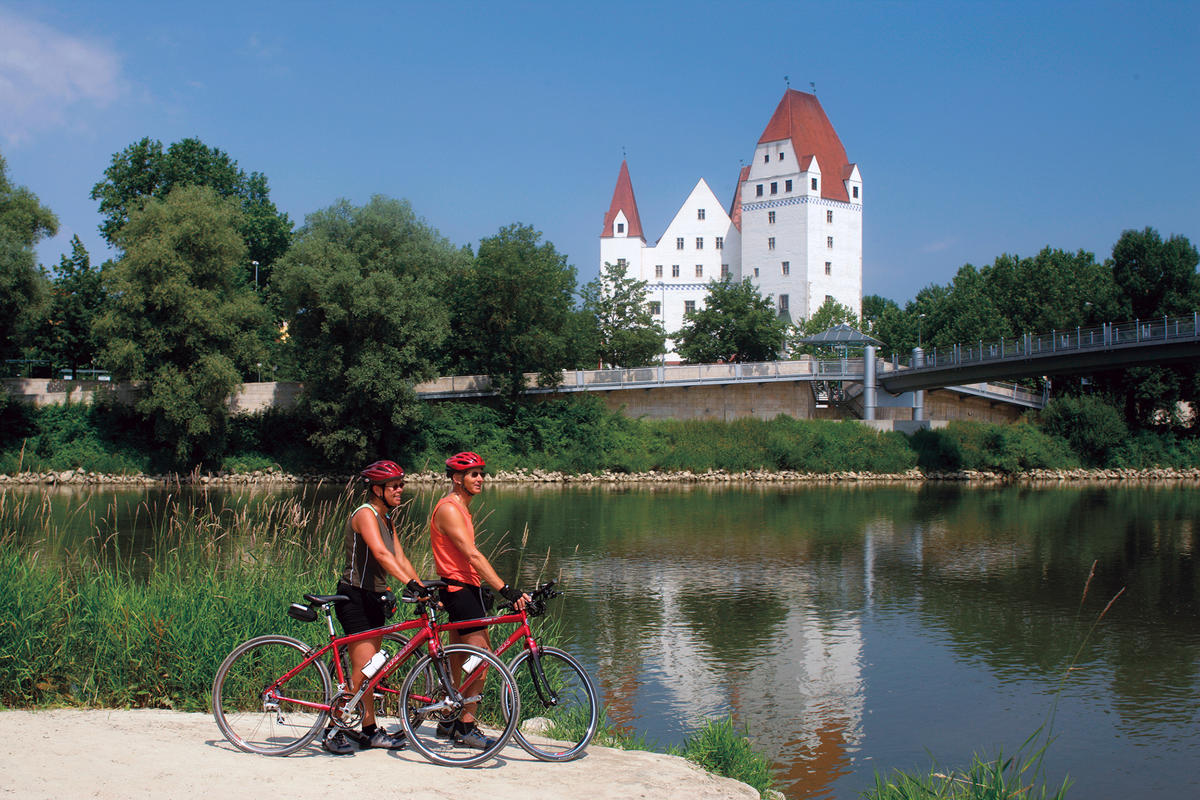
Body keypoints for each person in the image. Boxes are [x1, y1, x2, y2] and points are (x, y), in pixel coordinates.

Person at [324, 459, 430, 755]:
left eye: (401, 484)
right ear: (377, 489)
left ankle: (368, 730)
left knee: (372, 671)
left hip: (375, 597)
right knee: (363, 672)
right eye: (394, 485)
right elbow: (382, 554)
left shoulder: (386, 518)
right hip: (355, 597)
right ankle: (333, 729)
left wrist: (420, 587)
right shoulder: (365, 514)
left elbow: (400, 556)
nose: (400, 490)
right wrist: (409, 584)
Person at [429, 451, 531, 749]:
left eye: (482, 474)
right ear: (457, 478)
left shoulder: (461, 507)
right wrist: (505, 589)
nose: (480, 479)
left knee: (459, 656)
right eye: (473, 474)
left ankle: (448, 717)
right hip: (459, 590)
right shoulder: (449, 508)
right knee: (482, 658)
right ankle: (466, 725)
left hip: (466, 588)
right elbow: (471, 554)